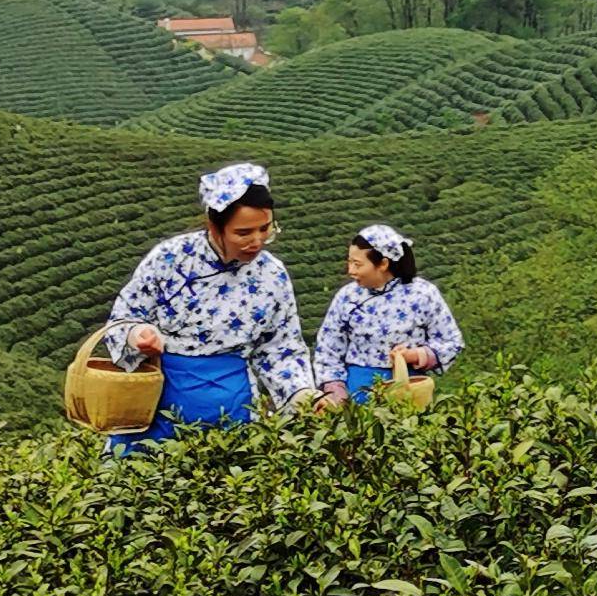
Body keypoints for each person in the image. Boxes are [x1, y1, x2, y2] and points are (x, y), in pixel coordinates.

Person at [102, 162, 316, 446]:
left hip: (233, 408)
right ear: (214, 226)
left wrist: (302, 395)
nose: (257, 241)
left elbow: (280, 347)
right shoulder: (171, 258)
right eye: (243, 233)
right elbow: (124, 317)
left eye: (265, 229)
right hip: (156, 404)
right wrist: (138, 336)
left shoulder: (272, 275)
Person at [313, 225, 465, 404]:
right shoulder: (347, 297)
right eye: (349, 262)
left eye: (357, 264)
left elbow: (451, 342)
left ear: (383, 264)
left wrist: (416, 355)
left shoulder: (422, 294)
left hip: (409, 391)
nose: (350, 271)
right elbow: (327, 350)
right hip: (358, 392)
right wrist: (336, 394)